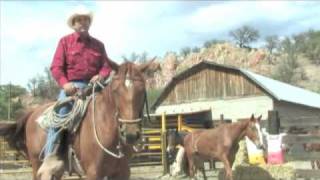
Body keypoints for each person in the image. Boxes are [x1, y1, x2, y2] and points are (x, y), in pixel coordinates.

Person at [44, 5, 112, 160]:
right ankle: (50, 157)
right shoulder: (65, 42)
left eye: (85, 20)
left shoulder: (99, 45)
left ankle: (120, 151)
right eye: (79, 20)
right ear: (74, 24)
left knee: (115, 110)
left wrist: (101, 76)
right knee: (60, 115)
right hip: (73, 88)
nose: (83, 23)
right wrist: (65, 84)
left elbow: (106, 66)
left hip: (96, 88)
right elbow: (56, 67)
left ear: (89, 23)